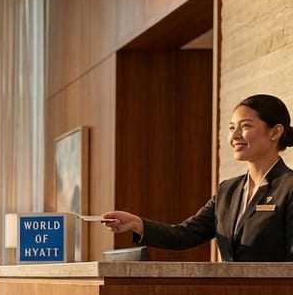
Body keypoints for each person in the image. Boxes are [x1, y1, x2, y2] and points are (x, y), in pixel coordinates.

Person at [102, 94, 293, 261]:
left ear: (275, 132)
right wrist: (138, 224)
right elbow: (186, 235)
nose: (234, 135)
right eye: (231, 128)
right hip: (232, 291)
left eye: (245, 126)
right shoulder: (228, 190)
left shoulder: (289, 187)